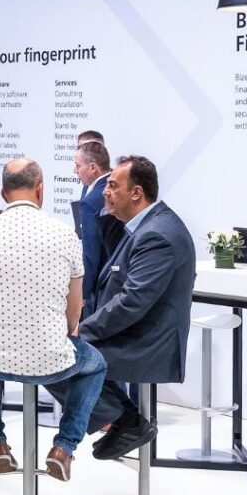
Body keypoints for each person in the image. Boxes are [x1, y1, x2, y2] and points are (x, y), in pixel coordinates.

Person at [0, 158, 112, 483]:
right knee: (95, 364)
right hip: (51, 360)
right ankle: (64, 447)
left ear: (3, 194)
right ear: (40, 190)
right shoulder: (65, 235)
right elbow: (74, 312)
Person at [79, 155, 195, 458]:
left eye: (112, 186)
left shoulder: (157, 234)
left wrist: (83, 330)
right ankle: (123, 420)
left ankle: (125, 422)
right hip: (135, 333)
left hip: (146, 343)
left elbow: (132, 301)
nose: (105, 192)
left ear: (136, 193)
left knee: (61, 355)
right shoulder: (143, 226)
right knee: (64, 349)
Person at [74, 139, 125, 312]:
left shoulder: (90, 202)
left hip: (100, 286)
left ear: (92, 168)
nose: (75, 171)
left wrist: (82, 295)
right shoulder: (119, 189)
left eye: (78, 165)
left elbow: (91, 254)